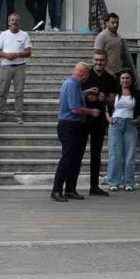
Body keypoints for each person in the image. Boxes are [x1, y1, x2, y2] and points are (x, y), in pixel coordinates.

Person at [52, 63, 101, 201]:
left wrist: (86, 92)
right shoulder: (73, 85)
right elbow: (74, 108)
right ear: (84, 74)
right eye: (87, 75)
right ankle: (56, 190)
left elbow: (72, 98)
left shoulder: (71, 84)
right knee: (67, 158)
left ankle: (70, 189)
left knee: (75, 159)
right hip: (70, 125)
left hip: (73, 125)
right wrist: (92, 111)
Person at [83, 50, 118, 195]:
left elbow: (113, 99)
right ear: (93, 60)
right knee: (77, 152)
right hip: (83, 118)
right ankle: (70, 186)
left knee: (96, 154)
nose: (99, 63)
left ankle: (94, 186)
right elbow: (74, 92)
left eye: (102, 60)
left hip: (100, 119)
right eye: (96, 60)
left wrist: (105, 99)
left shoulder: (110, 78)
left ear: (105, 61)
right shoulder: (85, 75)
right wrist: (87, 95)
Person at [106, 69, 140, 191]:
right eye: (123, 78)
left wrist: (138, 119)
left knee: (129, 155)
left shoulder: (136, 93)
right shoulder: (114, 92)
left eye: (127, 78)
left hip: (130, 124)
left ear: (131, 80)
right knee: (115, 154)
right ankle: (114, 182)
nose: (125, 80)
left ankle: (129, 182)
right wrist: (108, 118)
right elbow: (106, 106)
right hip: (116, 124)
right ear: (120, 80)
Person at [0, 13, 32, 124]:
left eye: (16, 20)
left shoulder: (24, 35)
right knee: (2, 91)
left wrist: (17, 55)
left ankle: (18, 115)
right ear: (8, 22)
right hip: (5, 66)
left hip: (20, 66)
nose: (14, 22)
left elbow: (29, 52)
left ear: (19, 22)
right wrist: (6, 55)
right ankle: (0, 114)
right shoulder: (3, 34)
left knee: (19, 92)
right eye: (12, 20)